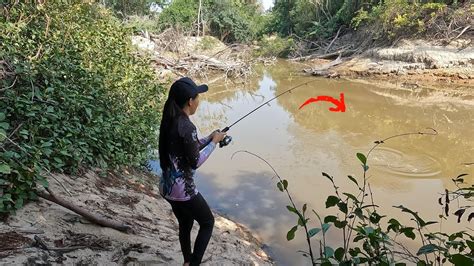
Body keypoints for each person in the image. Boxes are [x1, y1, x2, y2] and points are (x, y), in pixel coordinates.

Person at [158, 77, 226, 266]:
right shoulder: (187, 126)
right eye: (198, 97)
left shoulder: (170, 119)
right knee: (207, 222)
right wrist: (213, 143)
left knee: (185, 224)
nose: (199, 101)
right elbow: (195, 161)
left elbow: (189, 147)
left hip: (167, 188)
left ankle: (187, 261)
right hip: (183, 191)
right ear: (190, 101)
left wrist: (210, 137)